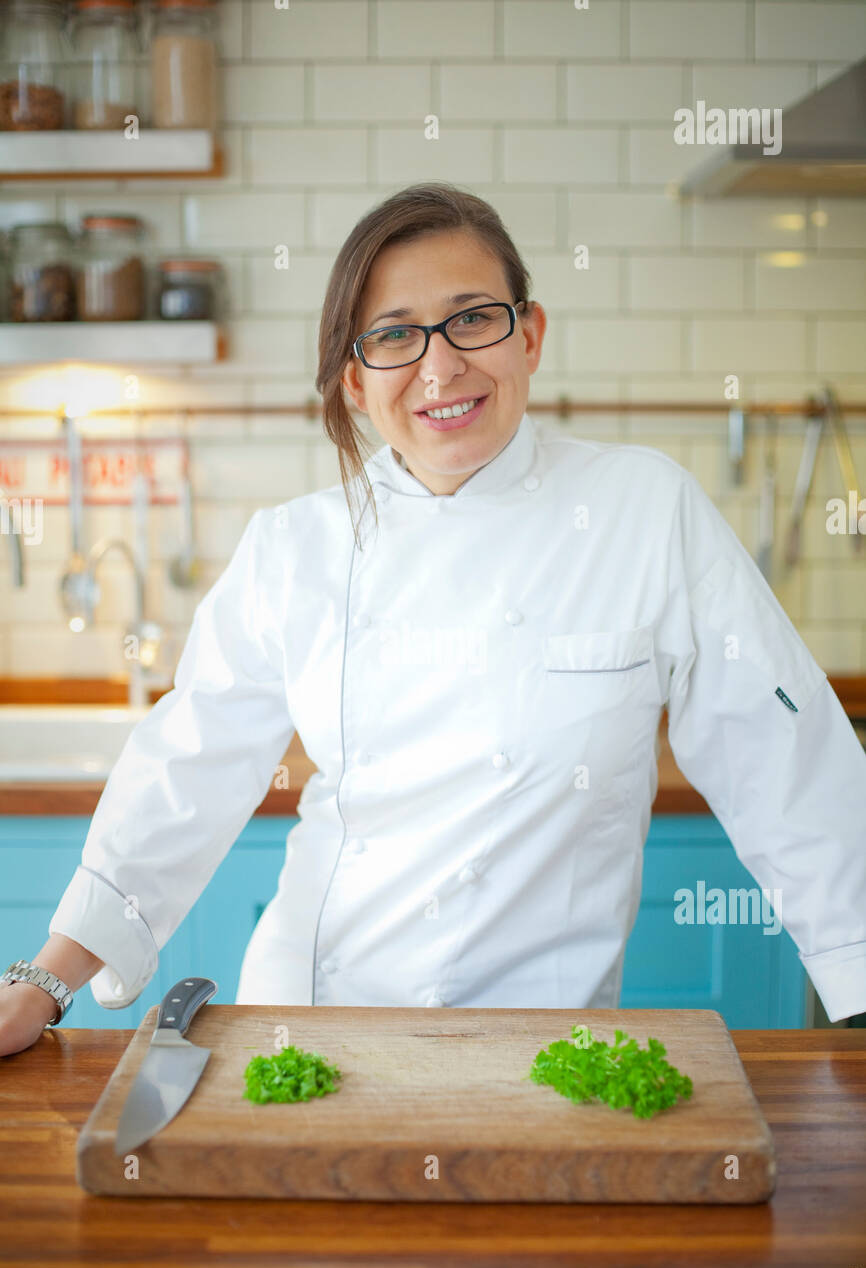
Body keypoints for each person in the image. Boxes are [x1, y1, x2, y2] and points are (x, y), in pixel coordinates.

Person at [2, 181, 864, 1056]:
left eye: (472, 320)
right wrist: (42, 982)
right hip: (313, 1026)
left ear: (528, 335)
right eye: (394, 335)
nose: (441, 367)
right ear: (354, 376)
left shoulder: (646, 511)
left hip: (545, 1045)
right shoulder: (296, 546)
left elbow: (788, 761)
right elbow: (186, 772)